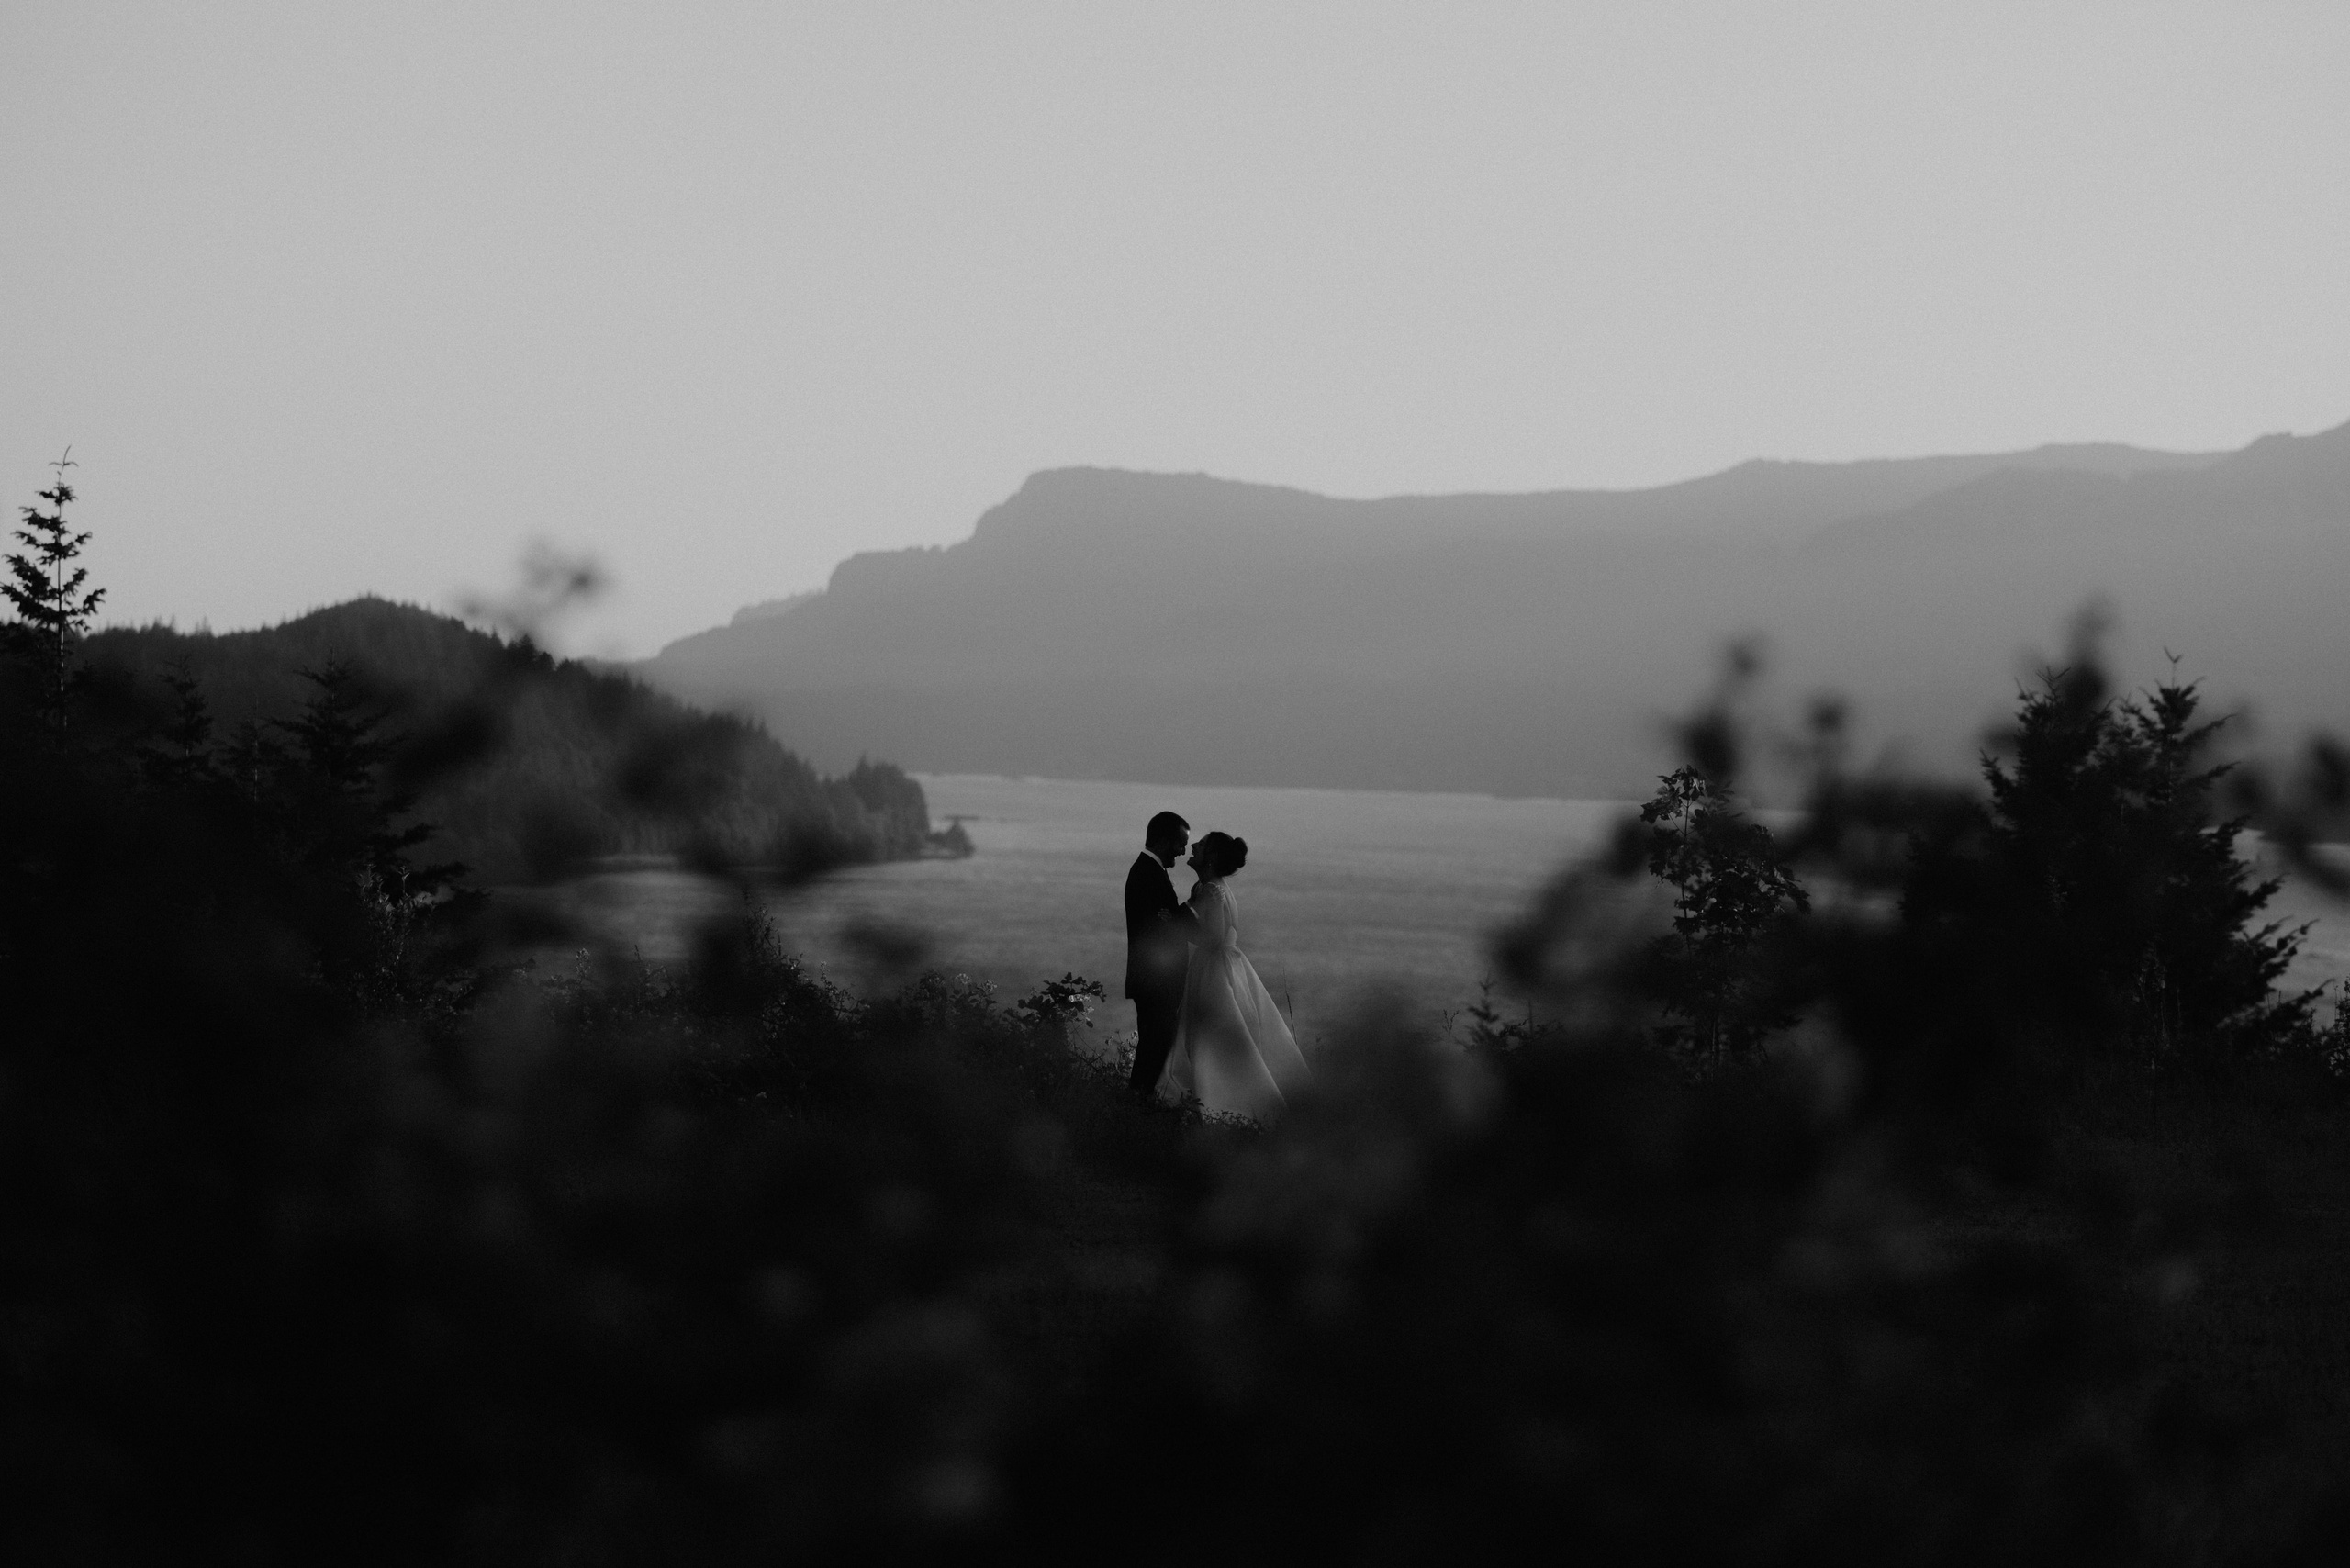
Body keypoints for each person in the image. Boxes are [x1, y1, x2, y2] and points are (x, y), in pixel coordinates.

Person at [1160, 831, 1311, 1122]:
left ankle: (1218, 1105)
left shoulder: (1210, 891)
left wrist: (1177, 924)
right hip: (1227, 967)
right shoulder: (1213, 887)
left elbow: (1214, 940)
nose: (1193, 846)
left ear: (1211, 857)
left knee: (1208, 1039)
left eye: (1201, 845)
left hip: (1214, 970)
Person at [1124, 811, 1198, 1100]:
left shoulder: (1150, 871)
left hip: (1154, 982)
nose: (1181, 851)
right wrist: (1192, 905)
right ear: (1164, 840)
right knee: (1153, 1051)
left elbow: (1170, 922)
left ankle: (1137, 1104)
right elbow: (1163, 928)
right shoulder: (1146, 873)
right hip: (1155, 982)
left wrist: (1176, 915)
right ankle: (1136, 1106)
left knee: (1154, 1050)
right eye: (1179, 844)